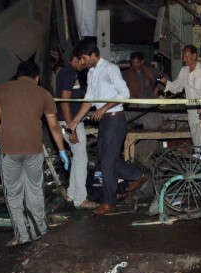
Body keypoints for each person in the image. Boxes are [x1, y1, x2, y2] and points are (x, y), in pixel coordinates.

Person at [0, 59, 68, 246]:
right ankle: (39, 230)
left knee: (13, 193)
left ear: (18, 75)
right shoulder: (44, 94)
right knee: (34, 190)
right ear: (37, 77)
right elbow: (54, 126)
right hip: (33, 150)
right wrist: (62, 150)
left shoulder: (2, 89)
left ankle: (22, 235)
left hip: (8, 150)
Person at [68, 39, 148, 216]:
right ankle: (138, 174)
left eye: (83, 58)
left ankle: (109, 202)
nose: (81, 62)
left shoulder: (110, 69)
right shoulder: (91, 73)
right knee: (105, 160)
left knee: (107, 163)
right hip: (104, 121)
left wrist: (104, 107)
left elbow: (125, 94)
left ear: (92, 55)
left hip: (115, 119)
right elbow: (89, 100)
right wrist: (75, 121)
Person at [56, 53, 98, 209]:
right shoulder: (69, 72)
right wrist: (71, 129)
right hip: (69, 123)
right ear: (73, 58)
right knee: (81, 159)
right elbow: (65, 103)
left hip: (67, 122)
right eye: (81, 60)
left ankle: (71, 193)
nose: (83, 63)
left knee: (77, 157)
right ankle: (80, 199)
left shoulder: (65, 72)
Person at [160, 45, 201, 151]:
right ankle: (199, 165)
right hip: (192, 112)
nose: (184, 59)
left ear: (194, 56)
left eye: (187, 56)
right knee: (197, 144)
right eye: (183, 57)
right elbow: (176, 87)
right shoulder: (184, 71)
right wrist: (165, 82)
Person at [121, 51, 165, 130]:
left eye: (137, 62)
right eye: (133, 63)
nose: (135, 65)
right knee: (126, 128)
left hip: (149, 106)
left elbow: (163, 78)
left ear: (142, 62)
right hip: (132, 107)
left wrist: (157, 88)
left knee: (151, 130)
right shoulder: (126, 74)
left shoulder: (151, 71)